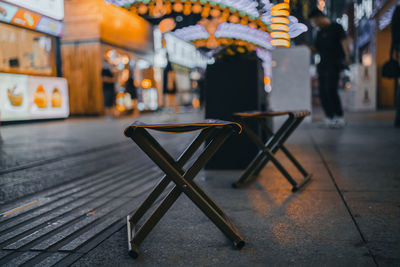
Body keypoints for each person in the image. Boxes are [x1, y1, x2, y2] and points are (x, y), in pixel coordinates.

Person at [309, 9, 351, 128]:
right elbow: (316, 49)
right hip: (322, 65)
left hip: (335, 63)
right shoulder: (319, 32)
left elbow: (344, 42)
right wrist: (307, 47)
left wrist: (347, 56)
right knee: (322, 92)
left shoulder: (336, 27)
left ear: (319, 17)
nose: (314, 24)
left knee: (331, 90)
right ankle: (329, 117)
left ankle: (339, 116)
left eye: (313, 21)